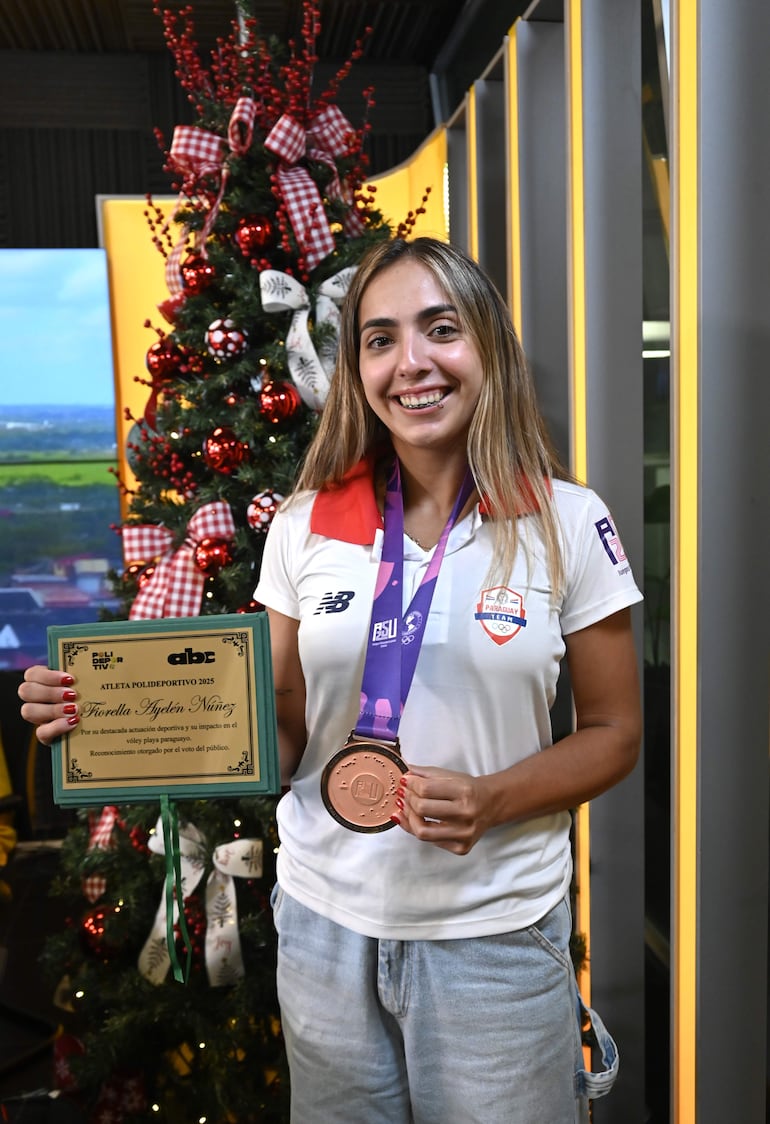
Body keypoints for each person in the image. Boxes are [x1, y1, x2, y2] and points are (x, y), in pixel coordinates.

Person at [20, 236, 643, 1124]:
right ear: (355, 368)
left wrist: (493, 798)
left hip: (495, 935)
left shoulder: (569, 522)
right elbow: (278, 725)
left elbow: (615, 731)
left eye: (441, 329)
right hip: (323, 925)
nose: (411, 363)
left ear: (490, 349)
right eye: (379, 339)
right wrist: (104, 716)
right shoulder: (306, 524)